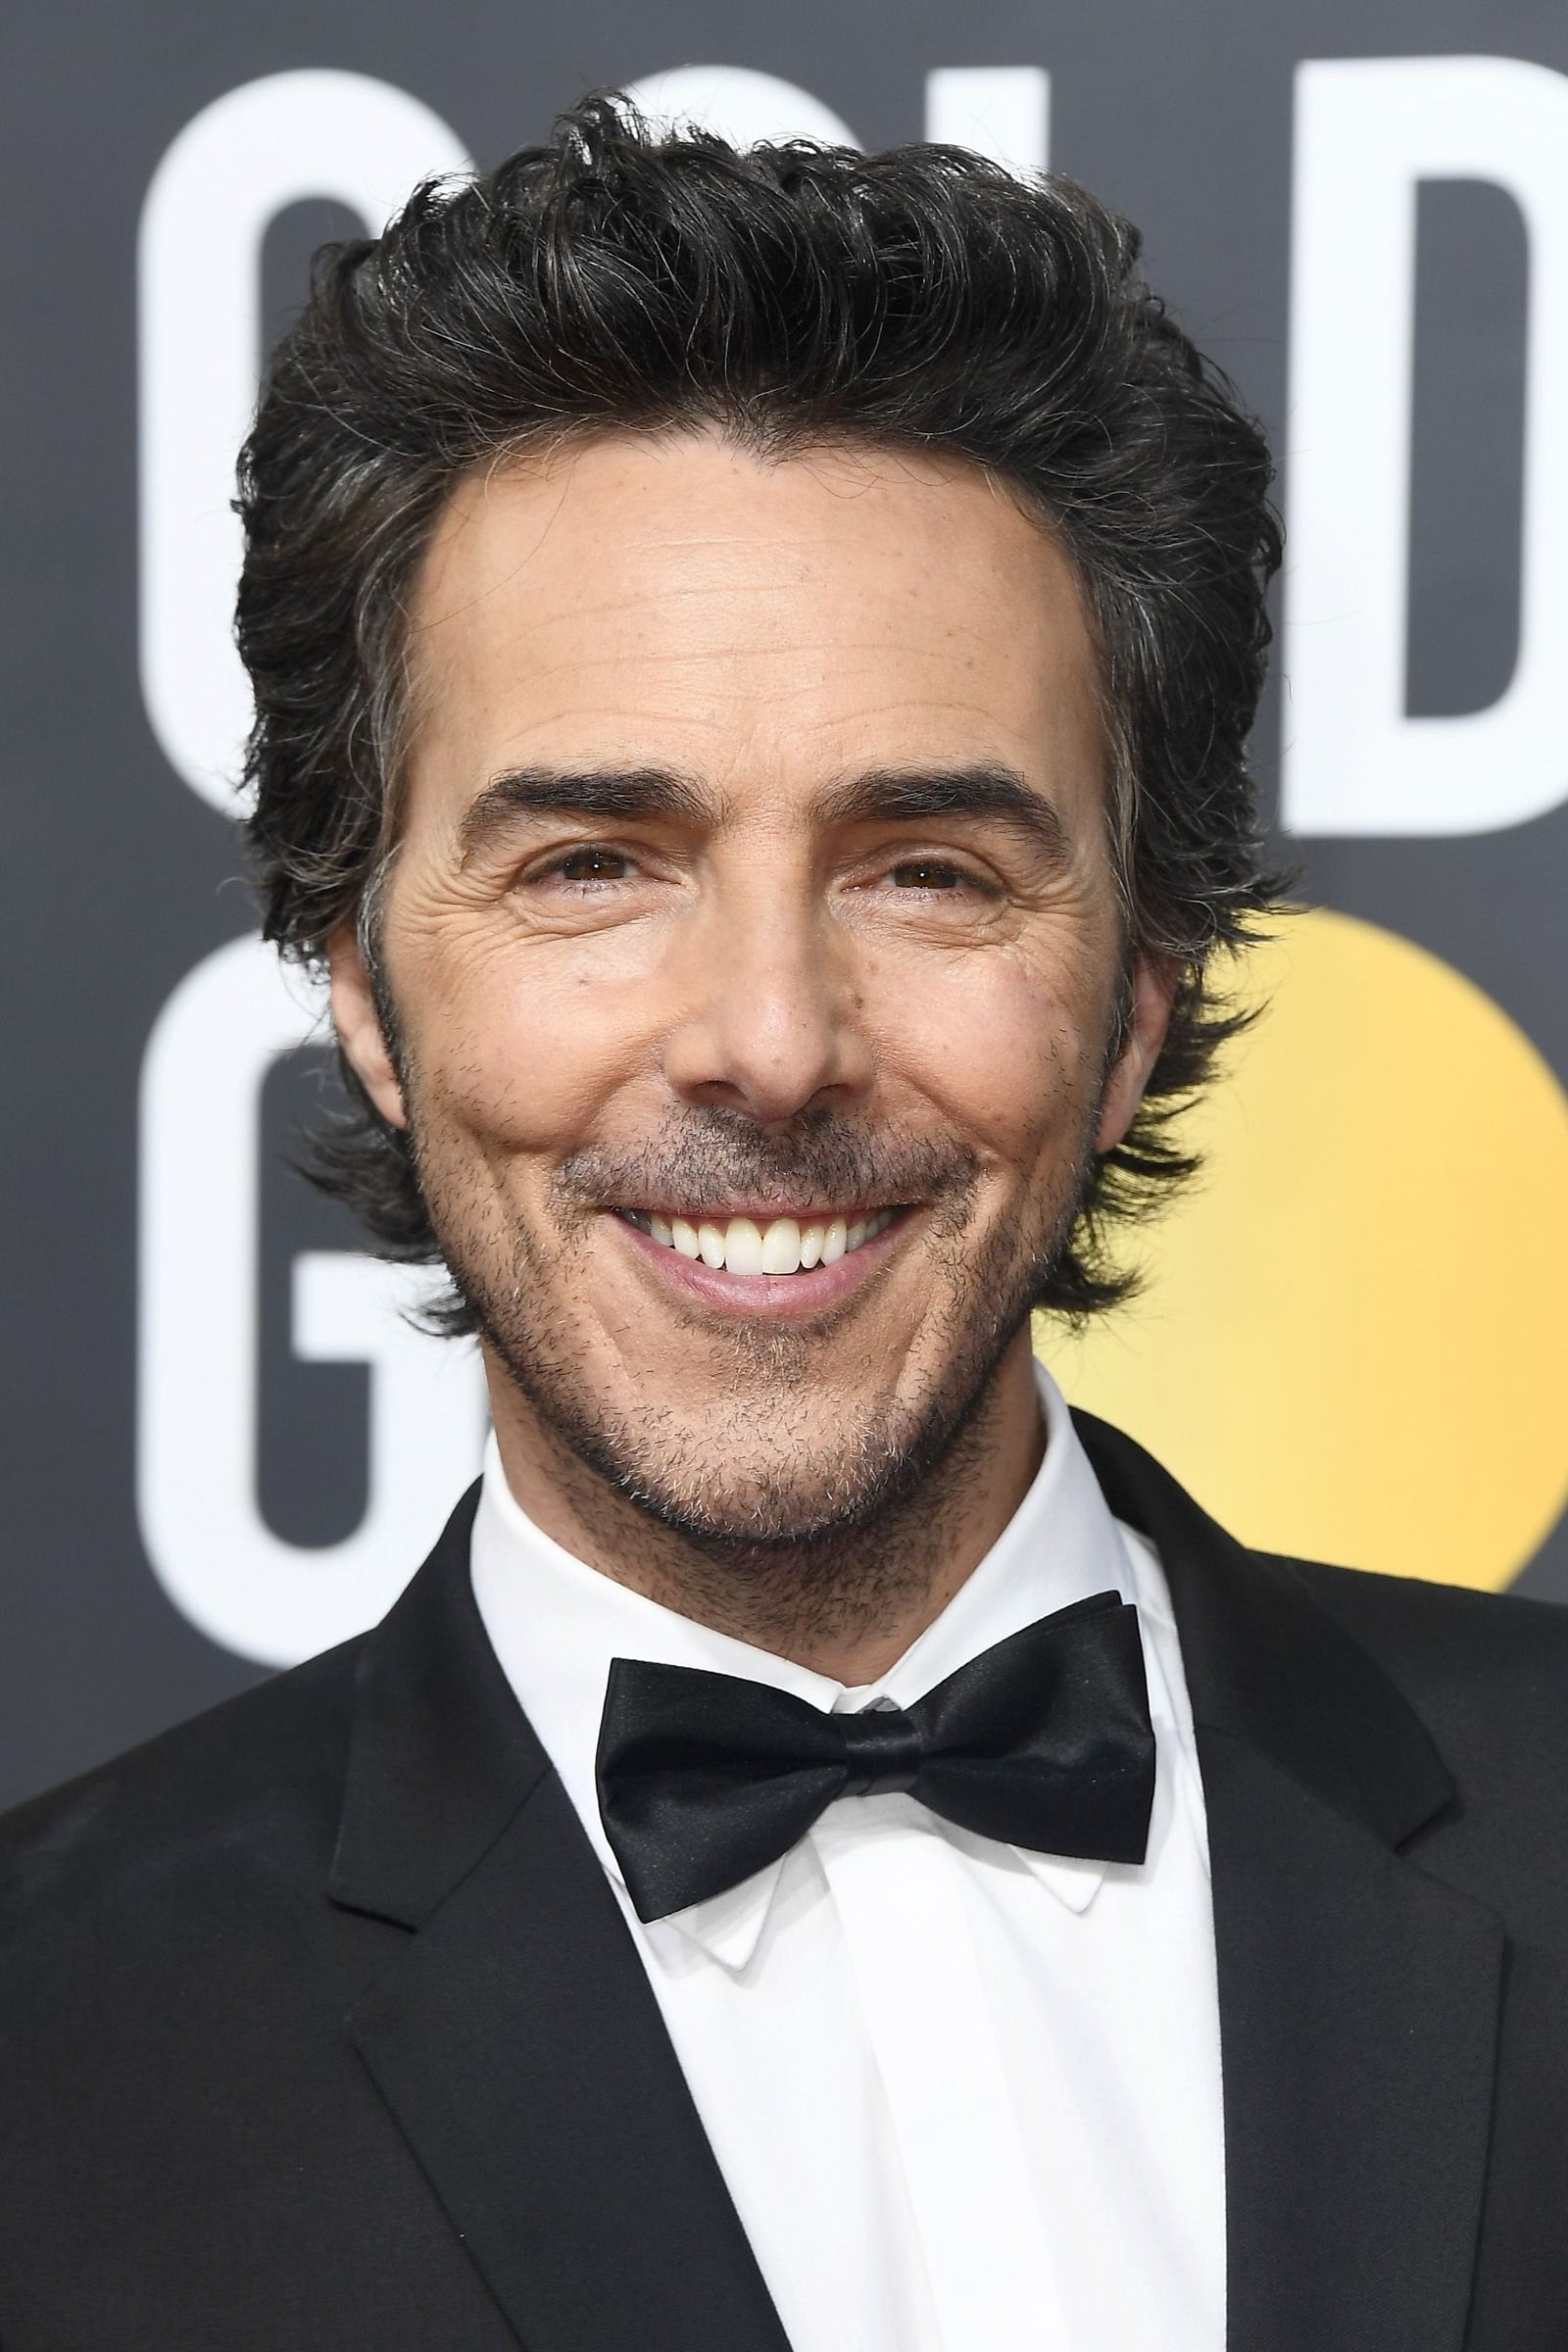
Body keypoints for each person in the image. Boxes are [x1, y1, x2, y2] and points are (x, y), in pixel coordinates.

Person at [2, 95, 1565, 2352]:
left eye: (925, 869)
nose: (766, 1041)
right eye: (591, 867)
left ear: (1137, 997)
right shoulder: (51, 2054)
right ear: (362, 989)